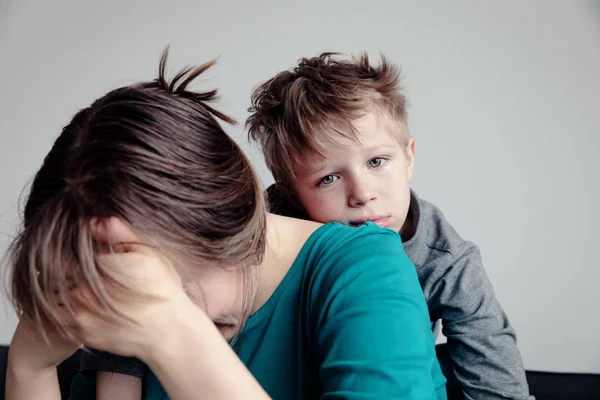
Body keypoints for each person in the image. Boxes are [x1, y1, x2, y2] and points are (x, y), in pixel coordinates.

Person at [5, 49, 447, 400]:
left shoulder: (362, 267)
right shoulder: (124, 329)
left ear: (228, 212)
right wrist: (29, 368)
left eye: (165, 281)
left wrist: (176, 338)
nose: (141, 310)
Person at [246, 52, 531, 400]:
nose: (363, 194)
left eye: (377, 161)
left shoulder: (445, 259)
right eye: (329, 178)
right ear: (291, 192)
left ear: (409, 158)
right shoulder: (266, 229)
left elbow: (498, 383)